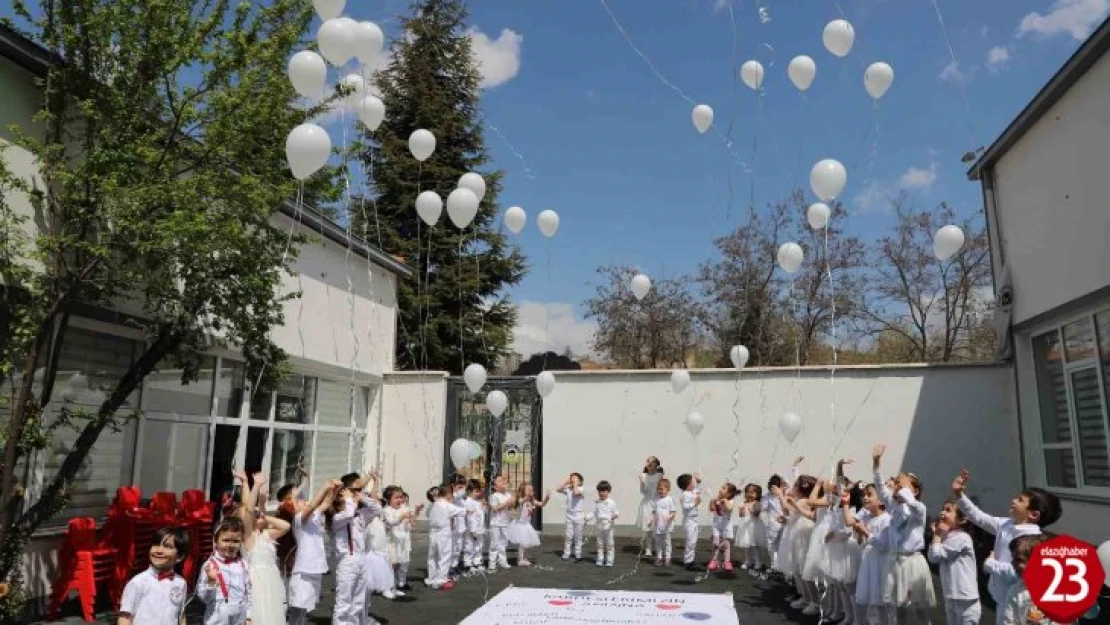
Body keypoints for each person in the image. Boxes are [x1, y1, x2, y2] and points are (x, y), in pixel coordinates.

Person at [951, 469, 1062, 609]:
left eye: (1020, 500)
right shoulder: (1006, 524)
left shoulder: (1034, 540)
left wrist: (991, 564)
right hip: (1001, 598)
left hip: (1019, 603)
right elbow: (978, 517)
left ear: (1033, 514)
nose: (1014, 500)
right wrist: (959, 495)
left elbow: (1021, 573)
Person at [873, 444, 935, 623]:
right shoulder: (894, 506)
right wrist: (876, 462)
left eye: (903, 481)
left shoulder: (919, 509)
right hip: (895, 561)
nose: (897, 483)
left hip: (913, 562)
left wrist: (905, 489)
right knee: (899, 608)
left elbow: (914, 505)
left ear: (914, 491)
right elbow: (880, 486)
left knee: (920, 608)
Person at [234, 471, 290, 625]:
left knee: (274, 613)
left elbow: (286, 526)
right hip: (257, 582)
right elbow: (248, 509)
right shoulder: (248, 537)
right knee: (261, 614)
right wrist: (255, 485)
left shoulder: (265, 535)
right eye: (256, 516)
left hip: (271, 578)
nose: (258, 516)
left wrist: (264, 514)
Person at [327, 469, 382, 624]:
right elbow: (349, 513)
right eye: (356, 490)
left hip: (361, 559)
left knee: (358, 600)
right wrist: (349, 499)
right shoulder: (338, 517)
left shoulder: (360, 515)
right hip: (347, 561)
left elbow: (377, 510)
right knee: (344, 601)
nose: (357, 494)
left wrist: (362, 496)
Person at [287, 479, 340, 625]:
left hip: (314, 569)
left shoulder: (314, 517)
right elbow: (312, 506)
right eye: (300, 503)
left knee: (305, 608)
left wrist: (335, 489)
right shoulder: (298, 520)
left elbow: (326, 503)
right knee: (297, 608)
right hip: (303, 571)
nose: (304, 503)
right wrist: (324, 487)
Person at [118, 526, 190, 625]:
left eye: (167, 546)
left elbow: (181, 615)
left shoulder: (181, 583)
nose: (159, 550)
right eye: (156, 545)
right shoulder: (138, 582)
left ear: (180, 557)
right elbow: (124, 618)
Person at [927, 499, 981, 625]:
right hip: (951, 596)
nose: (942, 513)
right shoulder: (945, 537)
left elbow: (936, 554)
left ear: (962, 520)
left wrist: (937, 535)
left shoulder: (962, 538)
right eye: (943, 509)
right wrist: (938, 536)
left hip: (966, 600)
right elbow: (932, 557)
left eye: (948, 510)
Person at [848, 482, 891, 625]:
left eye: (869, 495)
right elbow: (862, 543)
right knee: (870, 603)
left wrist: (865, 531)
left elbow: (882, 545)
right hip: (868, 562)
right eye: (864, 495)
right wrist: (860, 534)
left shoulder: (886, 519)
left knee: (880, 603)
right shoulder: (869, 518)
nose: (865, 498)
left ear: (881, 501)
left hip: (880, 564)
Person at [196, 516, 252, 625]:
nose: (231, 545)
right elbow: (203, 599)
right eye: (226, 540)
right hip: (217, 619)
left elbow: (249, 592)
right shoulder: (209, 565)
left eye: (236, 541)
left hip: (239, 618)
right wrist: (211, 582)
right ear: (215, 541)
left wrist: (249, 616)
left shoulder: (243, 564)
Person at [823, 481, 864, 625]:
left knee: (849, 586)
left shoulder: (853, 509)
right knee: (840, 585)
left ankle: (857, 620)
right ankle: (848, 616)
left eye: (848, 489)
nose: (843, 490)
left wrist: (832, 535)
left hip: (847, 549)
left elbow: (847, 530)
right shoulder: (839, 506)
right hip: (837, 549)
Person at [997, 534, 1052, 625]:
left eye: (1019, 560)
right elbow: (1009, 621)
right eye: (1013, 559)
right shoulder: (1016, 591)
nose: (1013, 563)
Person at [382, 485, 423, 597]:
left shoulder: (404, 509)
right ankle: (386, 588)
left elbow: (411, 522)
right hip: (392, 541)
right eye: (397, 498)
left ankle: (394, 587)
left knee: (399, 564)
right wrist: (401, 517)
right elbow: (391, 522)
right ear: (389, 499)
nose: (400, 500)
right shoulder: (386, 510)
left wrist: (417, 512)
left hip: (403, 541)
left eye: (401, 497)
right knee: (391, 565)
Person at [425, 483, 468, 589]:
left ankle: (432, 578)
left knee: (432, 556)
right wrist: (468, 510)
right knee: (444, 556)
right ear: (448, 494)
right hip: (443, 533)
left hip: (433, 533)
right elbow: (460, 511)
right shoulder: (446, 504)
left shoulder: (434, 504)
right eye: (451, 494)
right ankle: (441, 579)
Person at [507, 483, 549, 566]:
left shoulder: (532, 501)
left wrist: (547, 498)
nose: (531, 491)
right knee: (522, 543)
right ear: (523, 491)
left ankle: (524, 558)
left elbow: (542, 504)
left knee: (527, 543)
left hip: (526, 525)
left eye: (532, 490)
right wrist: (527, 497)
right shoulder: (520, 499)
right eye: (529, 490)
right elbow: (521, 501)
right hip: (519, 524)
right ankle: (520, 559)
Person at [636, 456, 665, 558]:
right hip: (647, 503)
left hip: (657, 502)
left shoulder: (659, 475)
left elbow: (660, 488)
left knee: (658, 527)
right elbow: (643, 491)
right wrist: (643, 483)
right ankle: (648, 548)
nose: (649, 463)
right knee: (648, 528)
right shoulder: (642, 476)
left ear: (656, 464)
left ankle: (659, 548)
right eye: (648, 461)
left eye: (652, 461)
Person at [735, 483, 766, 572]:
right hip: (745, 526)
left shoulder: (757, 503)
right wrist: (741, 511)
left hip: (754, 526)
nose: (750, 494)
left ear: (757, 494)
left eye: (752, 493)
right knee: (747, 545)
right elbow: (741, 515)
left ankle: (758, 562)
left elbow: (756, 514)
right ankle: (747, 561)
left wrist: (752, 510)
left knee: (755, 545)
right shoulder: (744, 502)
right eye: (748, 492)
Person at [556, 472, 586, 561]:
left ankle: (578, 553)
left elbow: (576, 493)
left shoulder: (581, 489)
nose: (572, 479)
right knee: (568, 535)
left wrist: (576, 483)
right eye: (571, 478)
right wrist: (566, 481)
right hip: (569, 515)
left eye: (575, 478)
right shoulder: (569, 489)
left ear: (580, 482)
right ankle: (566, 552)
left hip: (579, 516)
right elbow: (558, 489)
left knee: (578, 535)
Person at [708, 482, 737, 572]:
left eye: (724, 488)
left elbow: (729, 508)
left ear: (729, 494)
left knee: (726, 545)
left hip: (726, 527)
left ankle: (727, 561)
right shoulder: (717, 500)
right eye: (721, 487)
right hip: (716, 526)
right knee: (715, 544)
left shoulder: (730, 501)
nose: (721, 489)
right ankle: (714, 560)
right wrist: (712, 501)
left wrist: (725, 501)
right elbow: (712, 509)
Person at [487, 475, 514, 571]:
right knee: (494, 543)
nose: (503, 482)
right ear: (495, 486)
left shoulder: (508, 495)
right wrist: (507, 503)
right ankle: (492, 563)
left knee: (503, 543)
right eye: (499, 481)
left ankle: (503, 561)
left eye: (503, 480)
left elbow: (510, 508)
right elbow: (495, 508)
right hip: (495, 523)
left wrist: (511, 504)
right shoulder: (493, 496)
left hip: (505, 522)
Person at [677, 473, 702, 570]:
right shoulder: (684, 495)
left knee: (694, 540)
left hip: (694, 520)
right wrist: (694, 504)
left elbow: (698, 491)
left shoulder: (692, 492)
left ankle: (691, 559)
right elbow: (685, 507)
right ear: (688, 485)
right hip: (689, 521)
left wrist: (699, 482)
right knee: (690, 541)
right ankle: (688, 561)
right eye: (693, 482)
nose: (694, 483)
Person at [649, 477, 677, 567]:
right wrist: (651, 520)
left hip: (666, 526)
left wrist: (670, 517)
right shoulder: (656, 500)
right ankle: (659, 557)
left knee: (667, 542)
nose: (659, 491)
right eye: (658, 489)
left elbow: (673, 511)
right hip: (658, 526)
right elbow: (653, 511)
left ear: (668, 489)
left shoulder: (669, 499)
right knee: (658, 542)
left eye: (661, 489)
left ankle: (667, 558)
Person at [592, 480, 619, 567]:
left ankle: (610, 559)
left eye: (604, 491)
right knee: (599, 543)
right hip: (599, 526)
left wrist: (613, 517)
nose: (601, 493)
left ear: (608, 491)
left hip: (609, 527)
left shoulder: (611, 502)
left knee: (610, 544)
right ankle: (600, 558)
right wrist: (586, 518)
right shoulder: (597, 502)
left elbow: (616, 512)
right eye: (600, 491)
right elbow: (593, 512)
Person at [462, 479, 487, 570]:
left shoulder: (477, 502)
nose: (478, 493)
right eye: (476, 491)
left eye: (478, 491)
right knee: (469, 545)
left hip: (479, 528)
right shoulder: (468, 502)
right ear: (469, 491)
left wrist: (483, 507)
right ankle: (468, 563)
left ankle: (477, 561)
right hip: (471, 529)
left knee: (479, 545)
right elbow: (470, 517)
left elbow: (481, 514)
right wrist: (472, 529)